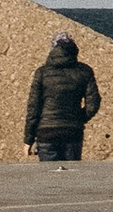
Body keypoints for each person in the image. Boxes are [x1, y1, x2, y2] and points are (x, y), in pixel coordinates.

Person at [23, 35, 101, 164]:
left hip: (46, 132)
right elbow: (93, 104)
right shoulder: (85, 71)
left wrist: (28, 140)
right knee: (71, 178)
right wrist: (77, 118)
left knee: (48, 177)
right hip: (72, 132)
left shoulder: (42, 73)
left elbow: (33, 109)